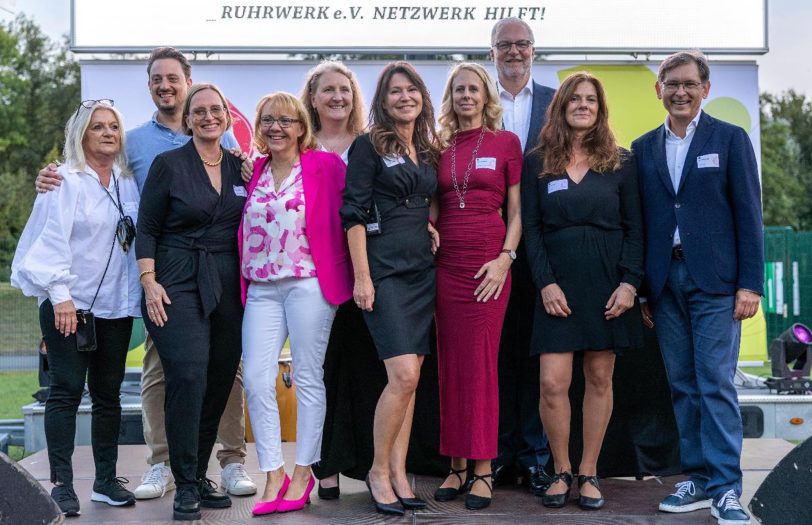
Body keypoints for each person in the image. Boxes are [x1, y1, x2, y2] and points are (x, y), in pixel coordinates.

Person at [34, 47, 256, 500]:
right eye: (157, 79)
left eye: (173, 78)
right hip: (156, 284)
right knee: (163, 373)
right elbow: (143, 219)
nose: (165, 85)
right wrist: (50, 174)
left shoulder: (229, 148)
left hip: (178, 286)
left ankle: (228, 460)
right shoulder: (135, 143)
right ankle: (163, 465)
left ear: (188, 82)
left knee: (218, 373)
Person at [632, 50, 763, 525]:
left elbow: (750, 215)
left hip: (717, 284)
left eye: (690, 83)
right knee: (683, 386)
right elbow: (643, 222)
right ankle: (697, 479)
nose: (681, 92)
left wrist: (751, 283)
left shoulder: (730, 139)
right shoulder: (643, 147)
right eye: (672, 84)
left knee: (715, 383)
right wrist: (645, 289)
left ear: (705, 89)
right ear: (659, 89)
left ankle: (726, 488)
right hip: (665, 283)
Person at [522, 72, 644, 510]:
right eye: (575, 98)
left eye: (591, 99)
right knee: (553, 383)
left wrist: (630, 284)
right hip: (556, 286)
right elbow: (530, 230)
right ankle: (561, 470)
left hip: (609, 286)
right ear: (561, 106)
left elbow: (637, 229)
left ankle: (589, 471)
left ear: (600, 108)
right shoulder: (537, 162)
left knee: (599, 377)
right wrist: (545, 283)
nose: (583, 105)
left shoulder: (622, 161)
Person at [12, 100, 140, 516]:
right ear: (81, 135)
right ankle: (62, 484)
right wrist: (61, 294)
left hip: (113, 307)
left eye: (113, 127)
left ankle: (105, 481)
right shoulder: (63, 181)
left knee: (109, 396)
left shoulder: (127, 181)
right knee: (66, 392)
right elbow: (50, 241)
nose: (107, 133)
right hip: (69, 304)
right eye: (97, 127)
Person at [136, 83, 246, 521]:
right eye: (198, 111)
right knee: (187, 376)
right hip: (176, 281)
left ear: (227, 116)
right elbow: (147, 228)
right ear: (187, 118)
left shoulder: (240, 167)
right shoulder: (168, 164)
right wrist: (149, 280)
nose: (207, 116)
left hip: (228, 286)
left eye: (215, 109)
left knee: (219, 379)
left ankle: (198, 473)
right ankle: (184, 484)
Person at [239, 91, 353, 516]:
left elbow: (355, 214)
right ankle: (273, 473)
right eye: (267, 120)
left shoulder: (326, 165)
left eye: (285, 120)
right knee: (255, 378)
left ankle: (303, 472)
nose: (276, 127)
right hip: (262, 288)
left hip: (309, 283)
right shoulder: (253, 171)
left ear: (302, 127)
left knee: (307, 378)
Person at [340, 61, 440, 516]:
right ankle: (378, 470)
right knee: (403, 375)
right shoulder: (368, 145)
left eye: (412, 90)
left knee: (411, 382)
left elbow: (425, 199)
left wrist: (430, 224)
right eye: (395, 91)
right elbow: (354, 214)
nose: (405, 97)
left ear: (422, 97)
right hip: (383, 271)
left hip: (422, 269)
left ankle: (400, 473)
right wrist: (362, 276)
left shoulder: (425, 146)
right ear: (383, 101)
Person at [432, 63, 522, 510]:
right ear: (450, 96)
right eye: (459, 89)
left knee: (482, 364)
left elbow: (518, 212)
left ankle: (484, 468)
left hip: (489, 267)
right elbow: (432, 204)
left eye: (474, 88)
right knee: (450, 365)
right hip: (446, 264)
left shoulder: (507, 143)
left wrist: (505, 260)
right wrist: (429, 228)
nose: (466, 95)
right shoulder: (439, 145)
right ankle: (456, 465)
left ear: (487, 96)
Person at [488, 16, 557, 494]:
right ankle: (492, 454)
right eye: (504, 45)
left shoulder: (557, 103)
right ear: (492, 52)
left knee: (536, 359)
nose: (514, 52)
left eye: (522, 45)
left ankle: (534, 457)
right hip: (484, 251)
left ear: (534, 51)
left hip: (545, 252)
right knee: (491, 357)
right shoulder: (473, 101)